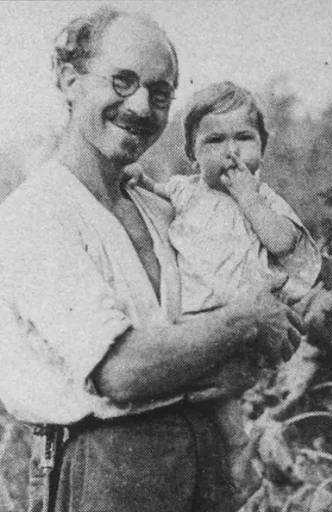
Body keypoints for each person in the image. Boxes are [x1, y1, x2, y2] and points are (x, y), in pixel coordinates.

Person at [0, 7, 302, 512]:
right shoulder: (35, 214)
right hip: (107, 462)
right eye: (122, 82)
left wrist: (243, 342)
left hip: (201, 451)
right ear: (69, 80)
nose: (141, 106)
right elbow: (121, 371)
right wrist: (246, 321)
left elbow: (251, 323)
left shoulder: (160, 204)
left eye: (160, 93)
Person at [128, 80, 321, 499]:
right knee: (198, 405)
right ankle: (225, 466)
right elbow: (152, 193)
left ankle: (243, 465)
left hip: (242, 323)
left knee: (230, 408)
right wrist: (138, 176)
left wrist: (248, 197)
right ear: (193, 155)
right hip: (193, 320)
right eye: (214, 140)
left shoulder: (263, 198)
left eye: (243, 138)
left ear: (262, 149)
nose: (230, 151)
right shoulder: (185, 190)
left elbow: (284, 243)